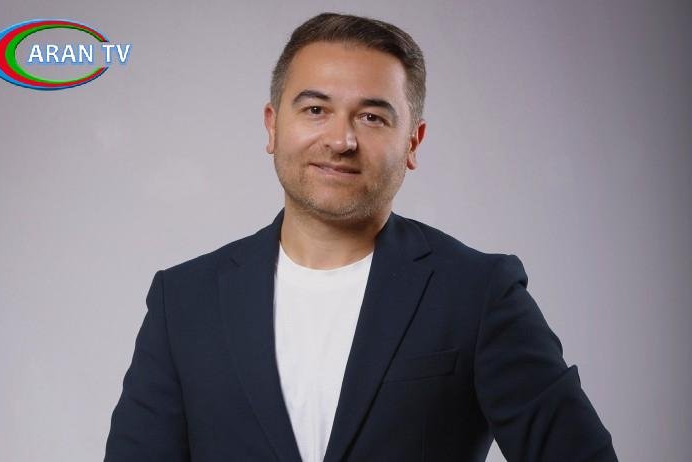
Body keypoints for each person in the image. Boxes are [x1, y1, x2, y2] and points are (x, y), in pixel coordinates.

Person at [104, 12, 617, 462]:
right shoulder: (184, 301)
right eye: (315, 110)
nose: (341, 140)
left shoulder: (479, 293)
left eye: (372, 117)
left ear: (413, 142)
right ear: (272, 126)